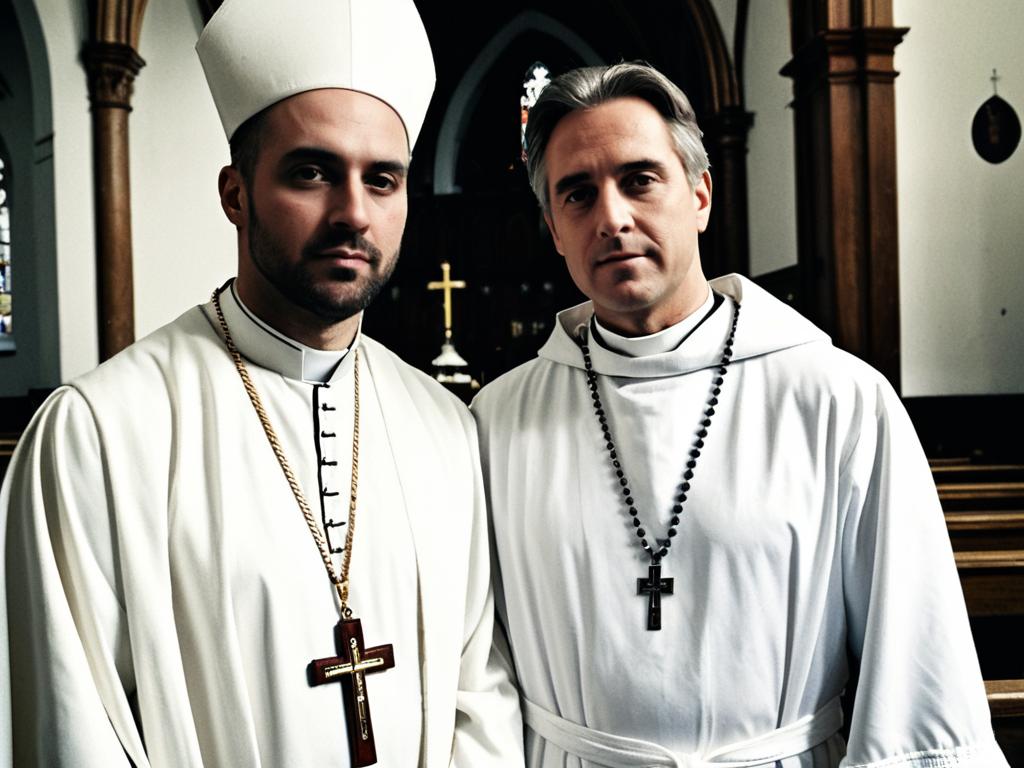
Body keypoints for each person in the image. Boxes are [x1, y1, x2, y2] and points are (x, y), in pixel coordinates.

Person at [0, 0, 524, 765]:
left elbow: (481, 692)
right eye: (311, 172)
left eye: (382, 180)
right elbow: (74, 725)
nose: (354, 213)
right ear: (235, 194)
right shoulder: (97, 434)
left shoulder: (443, 427)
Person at [471, 62, 1007, 767]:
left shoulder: (838, 401)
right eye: (578, 194)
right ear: (554, 229)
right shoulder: (496, 422)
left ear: (699, 195)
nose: (613, 218)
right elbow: (477, 668)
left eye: (639, 180)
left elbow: (912, 658)